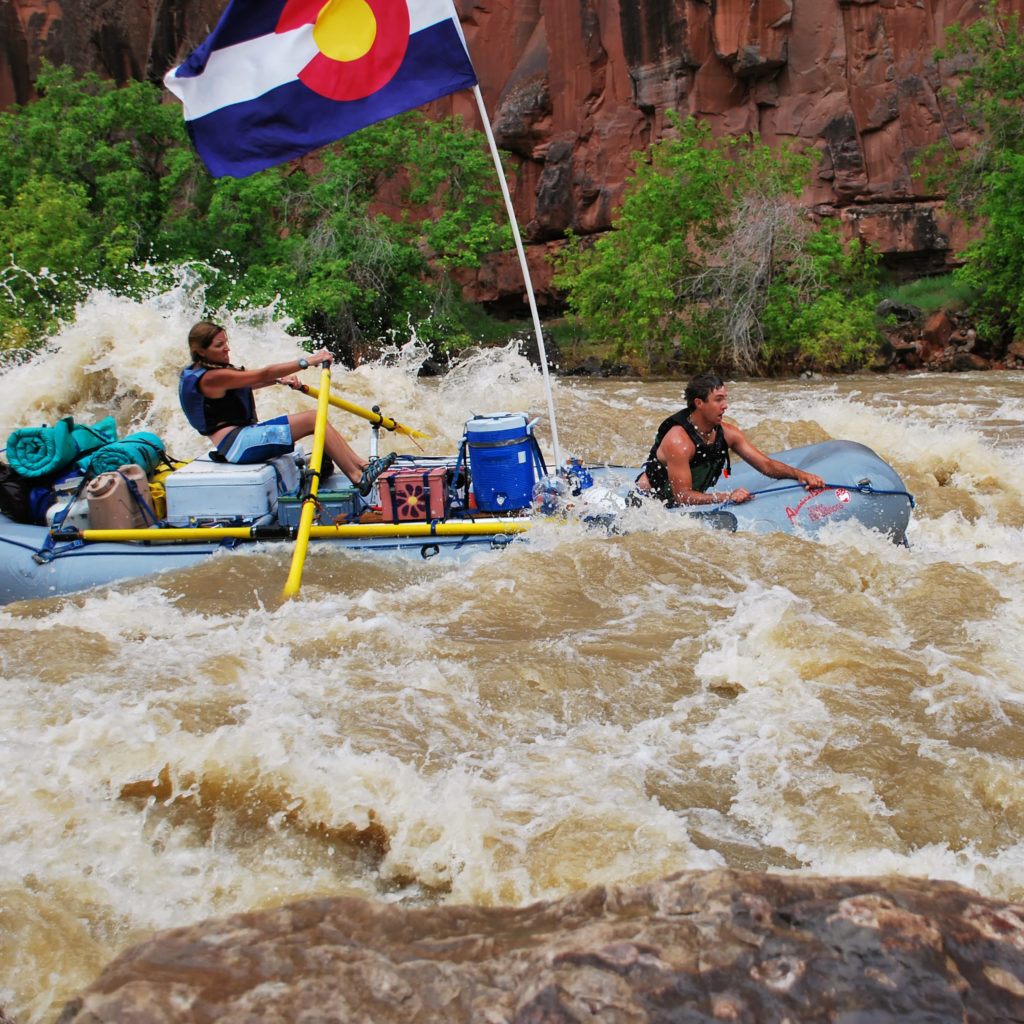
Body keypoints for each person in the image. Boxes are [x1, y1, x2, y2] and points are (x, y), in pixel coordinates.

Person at [178, 321, 394, 496]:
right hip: (238, 445)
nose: (227, 348)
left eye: (226, 342)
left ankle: (363, 466)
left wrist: (280, 380)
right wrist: (308, 361)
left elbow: (250, 382)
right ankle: (357, 477)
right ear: (201, 351)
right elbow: (262, 374)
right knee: (313, 419)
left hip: (239, 440)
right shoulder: (211, 378)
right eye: (219, 345)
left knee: (316, 418)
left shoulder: (213, 372)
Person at [634, 372, 825, 507]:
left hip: (680, 500)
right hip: (648, 502)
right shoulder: (678, 442)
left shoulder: (728, 433)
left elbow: (766, 465)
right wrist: (726, 497)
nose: (725, 406)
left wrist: (800, 475)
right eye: (718, 400)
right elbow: (682, 497)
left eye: (725, 398)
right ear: (699, 403)